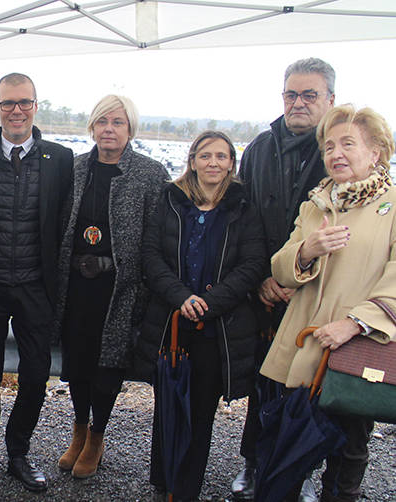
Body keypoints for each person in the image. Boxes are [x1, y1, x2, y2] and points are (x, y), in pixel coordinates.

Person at [260, 104, 396, 502]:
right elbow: (281, 268)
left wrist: (355, 323)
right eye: (330, 146)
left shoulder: (392, 206)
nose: (335, 153)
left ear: (376, 152)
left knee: (347, 450)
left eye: (348, 144)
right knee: (289, 446)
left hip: (355, 350)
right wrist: (307, 249)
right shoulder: (316, 203)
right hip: (302, 347)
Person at [134, 131, 266, 501]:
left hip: (217, 326)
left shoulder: (242, 207)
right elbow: (150, 256)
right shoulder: (171, 199)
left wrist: (210, 302)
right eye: (205, 155)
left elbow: (253, 264)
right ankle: (162, 479)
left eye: (221, 156)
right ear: (192, 160)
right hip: (170, 322)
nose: (213, 163)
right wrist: (181, 297)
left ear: (231, 164)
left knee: (200, 410)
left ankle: (187, 486)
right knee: (168, 401)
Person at [0, 73, 73, 493]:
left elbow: (65, 223)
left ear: (36, 106)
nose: (16, 111)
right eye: (7, 103)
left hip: (35, 286)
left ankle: (18, 451)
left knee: (36, 371)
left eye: (24, 102)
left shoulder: (61, 159)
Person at [233, 57, 336, 502]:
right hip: (264, 290)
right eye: (291, 94)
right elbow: (244, 219)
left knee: (308, 383)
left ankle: (302, 467)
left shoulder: (338, 148)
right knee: (263, 381)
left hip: (320, 293)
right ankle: (254, 462)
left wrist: (302, 278)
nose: (298, 103)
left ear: (330, 99)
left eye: (309, 95)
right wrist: (260, 279)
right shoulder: (259, 148)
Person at [55, 94, 169, 479]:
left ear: (130, 128)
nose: (109, 129)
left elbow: (158, 238)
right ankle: (79, 431)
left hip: (120, 289)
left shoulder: (150, 174)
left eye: (117, 122)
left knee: (107, 368)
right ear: (91, 126)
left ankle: (97, 437)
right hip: (77, 286)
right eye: (102, 121)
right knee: (79, 363)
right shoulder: (75, 168)